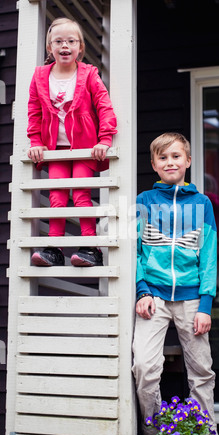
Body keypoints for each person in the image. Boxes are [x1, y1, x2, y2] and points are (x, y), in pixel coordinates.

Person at [132, 133, 219, 435]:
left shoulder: (202, 203)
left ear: (188, 161)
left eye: (176, 156)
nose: (170, 162)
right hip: (152, 296)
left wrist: (206, 304)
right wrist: (141, 290)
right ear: (154, 164)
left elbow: (208, 254)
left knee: (200, 371)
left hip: (192, 298)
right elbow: (135, 251)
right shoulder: (144, 201)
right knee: (144, 366)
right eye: (163, 157)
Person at [27, 17, 117, 267]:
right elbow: (34, 111)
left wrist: (105, 139)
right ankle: (53, 248)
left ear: (80, 48)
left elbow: (104, 106)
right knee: (56, 196)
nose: (64, 45)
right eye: (58, 41)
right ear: (49, 47)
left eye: (71, 41)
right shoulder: (40, 76)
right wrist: (36, 141)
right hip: (56, 149)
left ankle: (90, 247)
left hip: (85, 148)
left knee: (80, 195)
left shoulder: (88, 74)